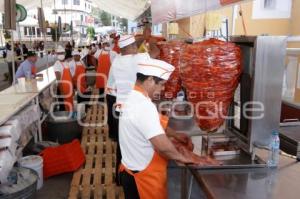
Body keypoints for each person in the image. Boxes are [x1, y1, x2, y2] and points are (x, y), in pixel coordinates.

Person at [119, 58, 199, 199]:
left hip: (130, 170)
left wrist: (176, 135)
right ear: (149, 80)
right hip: (143, 179)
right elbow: (163, 146)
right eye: (161, 84)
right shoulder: (143, 105)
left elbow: (154, 124)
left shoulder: (134, 96)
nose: (162, 89)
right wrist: (183, 158)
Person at [106, 34, 151, 185]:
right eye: (134, 47)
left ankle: (119, 178)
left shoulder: (117, 60)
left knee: (122, 144)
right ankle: (134, 178)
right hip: (135, 109)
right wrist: (150, 38)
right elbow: (155, 53)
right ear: (131, 48)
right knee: (137, 144)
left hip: (121, 109)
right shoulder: (137, 59)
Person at [53, 46, 75, 111]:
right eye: (59, 53)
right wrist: (62, 92)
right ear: (57, 54)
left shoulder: (66, 63)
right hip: (63, 90)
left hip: (69, 89)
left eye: (62, 53)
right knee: (64, 108)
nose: (61, 54)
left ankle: (70, 119)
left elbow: (70, 76)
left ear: (65, 53)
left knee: (70, 105)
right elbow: (59, 80)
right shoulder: (57, 64)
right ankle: (66, 120)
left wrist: (73, 87)